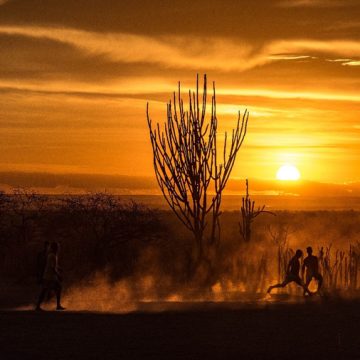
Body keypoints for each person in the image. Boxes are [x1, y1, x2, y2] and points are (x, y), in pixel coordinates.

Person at [35, 242, 65, 311]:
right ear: (55, 248)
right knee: (57, 288)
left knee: (46, 290)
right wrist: (58, 275)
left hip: (48, 277)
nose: (58, 248)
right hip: (49, 277)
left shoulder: (52, 255)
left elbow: (53, 266)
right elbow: (52, 268)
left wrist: (59, 269)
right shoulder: (52, 256)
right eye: (57, 247)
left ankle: (38, 306)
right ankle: (57, 305)